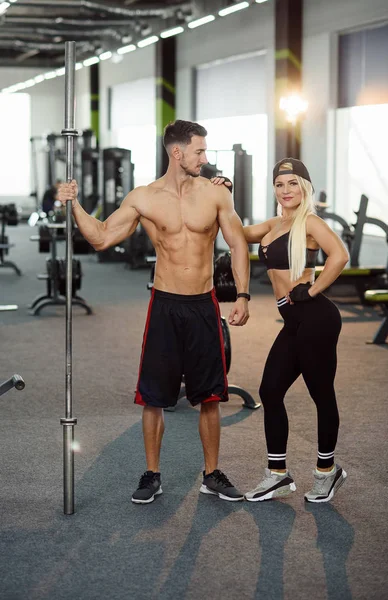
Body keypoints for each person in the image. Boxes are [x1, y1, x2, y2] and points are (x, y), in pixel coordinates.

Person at [58, 120, 250, 505]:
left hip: (203, 305)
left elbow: (239, 244)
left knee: (211, 395)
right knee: (154, 397)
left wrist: (243, 295)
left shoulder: (215, 195)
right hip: (164, 305)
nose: (205, 158)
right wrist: (73, 203)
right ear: (177, 152)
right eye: (199, 151)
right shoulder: (144, 197)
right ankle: (152, 475)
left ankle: (211, 473)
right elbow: (101, 237)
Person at [241, 158, 349, 503]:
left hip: (315, 316)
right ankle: (277, 475)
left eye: (292, 183)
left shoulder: (311, 223)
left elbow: (340, 255)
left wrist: (312, 290)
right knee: (270, 390)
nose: (285, 190)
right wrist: (222, 193)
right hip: (292, 318)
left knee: (321, 393)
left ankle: (326, 471)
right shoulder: (274, 224)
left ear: (304, 186)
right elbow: (237, 232)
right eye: (279, 184)